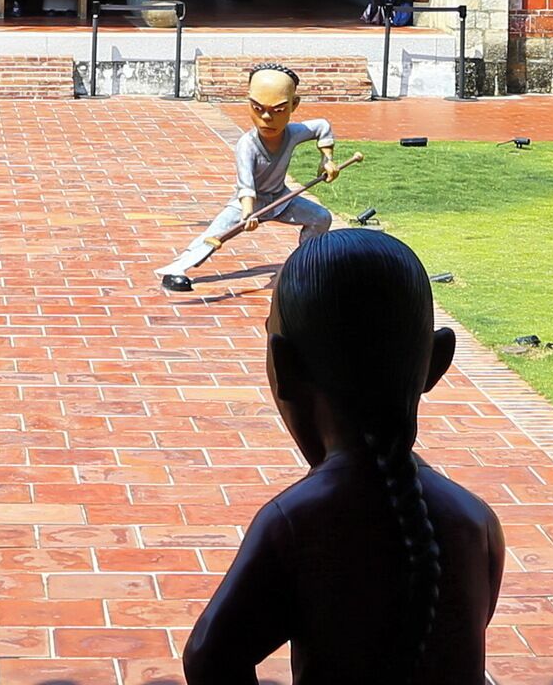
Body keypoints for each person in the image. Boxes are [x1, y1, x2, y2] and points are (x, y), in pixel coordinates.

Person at [180, 230, 503, 685]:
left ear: (283, 367)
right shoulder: (474, 519)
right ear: (436, 363)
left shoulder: (295, 522)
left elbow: (209, 656)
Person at [161, 64, 337, 290]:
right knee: (216, 234)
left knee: (320, 218)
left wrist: (327, 160)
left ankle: (300, 267)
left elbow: (322, 126)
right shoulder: (247, 145)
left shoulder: (293, 133)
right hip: (246, 205)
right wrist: (247, 213)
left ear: (294, 104)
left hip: (281, 199)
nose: (266, 118)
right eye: (258, 108)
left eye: (278, 110)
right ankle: (176, 269)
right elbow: (246, 186)